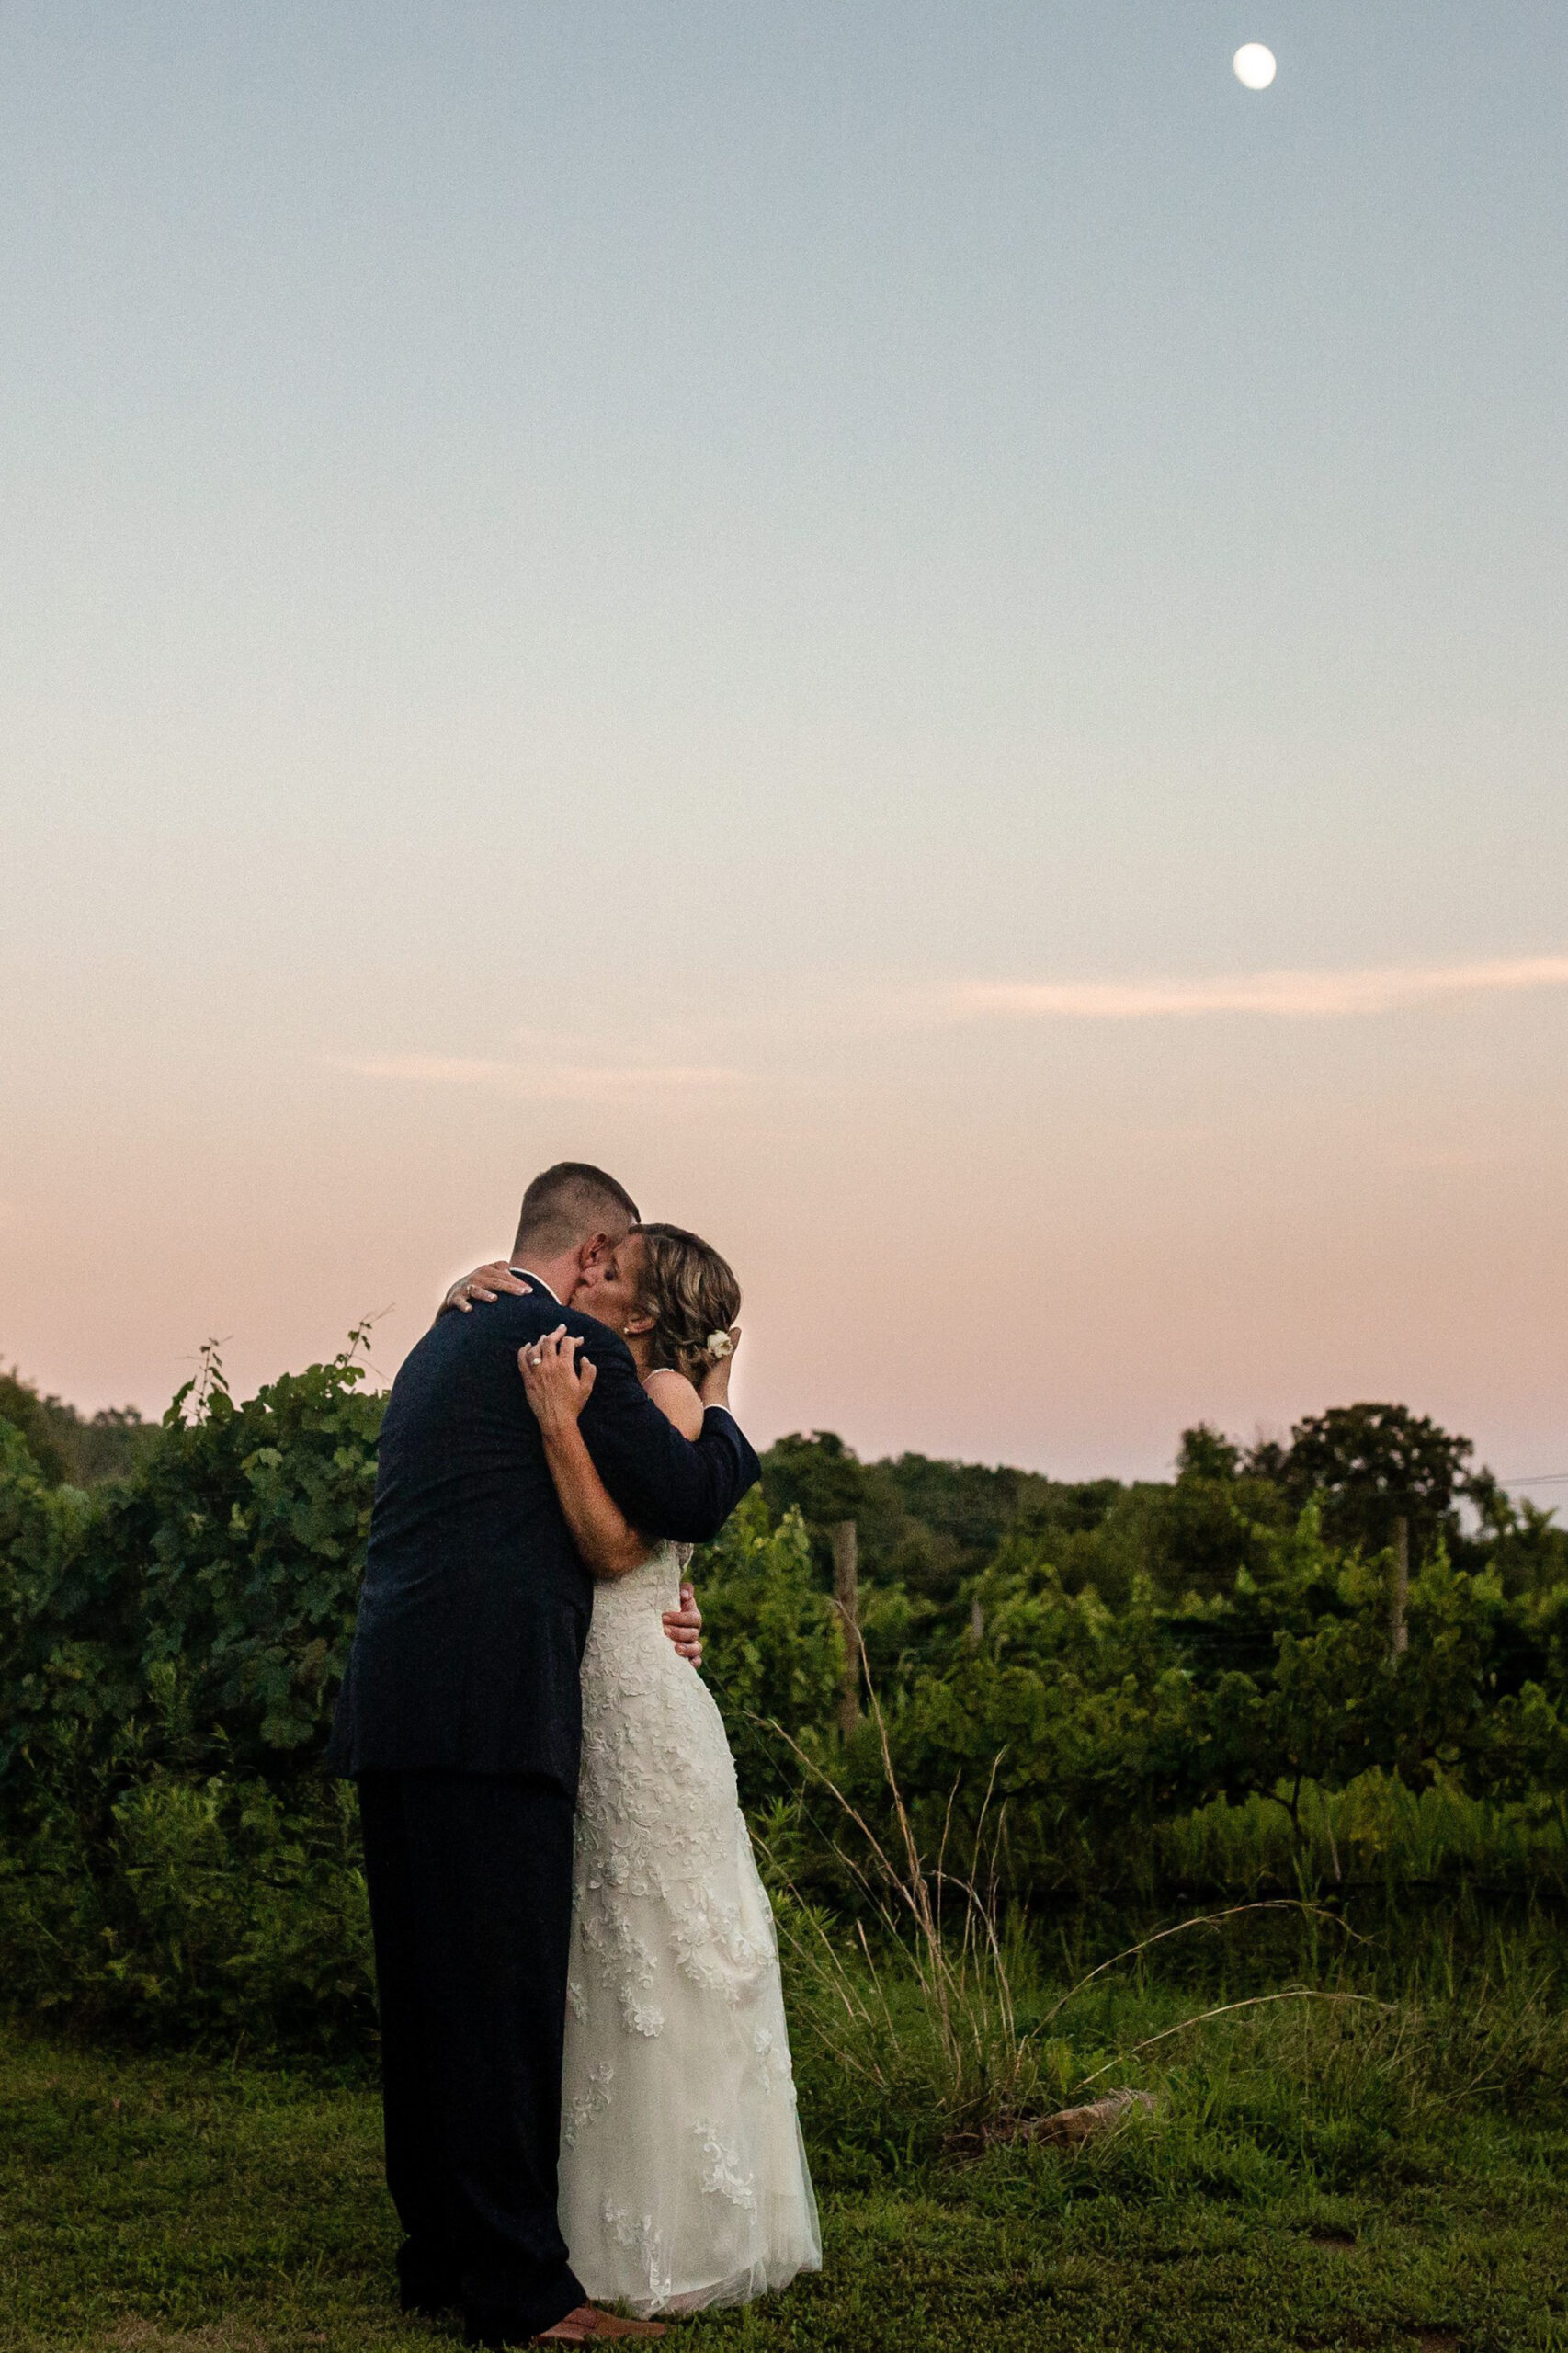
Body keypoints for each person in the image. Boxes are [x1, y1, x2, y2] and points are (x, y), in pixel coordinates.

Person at [326, 1164, 761, 2347]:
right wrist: (721, 1401)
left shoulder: (443, 1340)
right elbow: (686, 1489)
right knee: (498, 2006)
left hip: (400, 1701)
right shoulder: (551, 1334)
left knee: (427, 2002)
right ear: (594, 1251)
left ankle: (437, 2256)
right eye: (617, 1269)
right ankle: (525, 2295)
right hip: (491, 1708)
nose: (621, 1298)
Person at [503, 1222, 821, 2315]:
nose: (597, 1271)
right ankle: (596, 2212)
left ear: (646, 1312)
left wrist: (556, 1424)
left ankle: (679, 2226)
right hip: (613, 1675)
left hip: (638, 1688)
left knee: (664, 1943)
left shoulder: (670, 1401)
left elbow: (617, 1553)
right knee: (614, 1945)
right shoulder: (631, 1385)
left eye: (620, 1270)